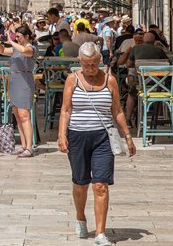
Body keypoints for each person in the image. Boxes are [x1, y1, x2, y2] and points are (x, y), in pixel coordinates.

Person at [58, 42, 135, 246]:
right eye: (86, 65)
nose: (90, 69)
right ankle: (80, 217)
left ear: (99, 61)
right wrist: (61, 135)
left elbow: (117, 110)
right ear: (80, 63)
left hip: (102, 137)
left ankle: (100, 233)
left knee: (100, 185)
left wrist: (127, 135)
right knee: (80, 183)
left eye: (93, 64)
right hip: (77, 136)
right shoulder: (72, 80)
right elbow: (66, 110)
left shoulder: (109, 80)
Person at [0, 24, 37, 157]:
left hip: (24, 81)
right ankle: (23, 145)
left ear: (27, 36)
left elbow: (25, 51)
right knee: (17, 115)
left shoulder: (31, 48)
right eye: (16, 36)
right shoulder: (16, 49)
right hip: (14, 81)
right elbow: (2, 51)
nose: (17, 39)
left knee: (24, 115)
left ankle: (29, 147)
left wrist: (11, 41)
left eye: (18, 36)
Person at [122, 32, 169, 123]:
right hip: (158, 84)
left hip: (141, 84)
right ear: (154, 41)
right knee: (162, 91)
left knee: (131, 93)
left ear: (144, 40)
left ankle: (128, 118)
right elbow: (169, 65)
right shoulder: (159, 50)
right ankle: (159, 117)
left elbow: (128, 64)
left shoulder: (136, 48)